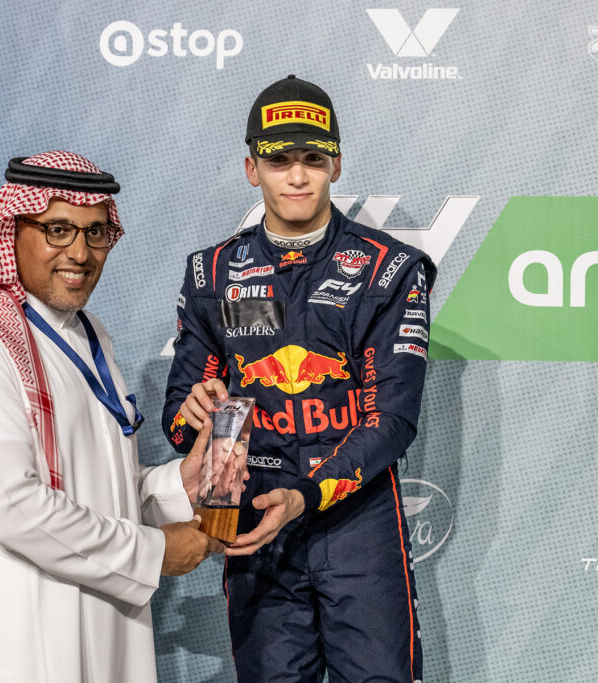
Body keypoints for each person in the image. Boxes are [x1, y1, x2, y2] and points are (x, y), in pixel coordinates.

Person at [0, 151, 222, 682]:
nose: (80, 253)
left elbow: (91, 483)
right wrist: (152, 552)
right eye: (58, 230)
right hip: (7, 640)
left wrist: (175, 485)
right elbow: (11, 504)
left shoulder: (89, 334)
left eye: (96, 233)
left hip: (95, 627)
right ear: (11, 231)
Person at [163, 75, 435, 682]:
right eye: (278, 160)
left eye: (312, 159)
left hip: (356, 522)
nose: (296, 176)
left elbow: (392, 421)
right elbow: (179, 421)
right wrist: (194, 413)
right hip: (255, 519)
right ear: (251, 168)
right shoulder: (212, 273)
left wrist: (306, 497)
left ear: (336, 164)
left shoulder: (388, 270)